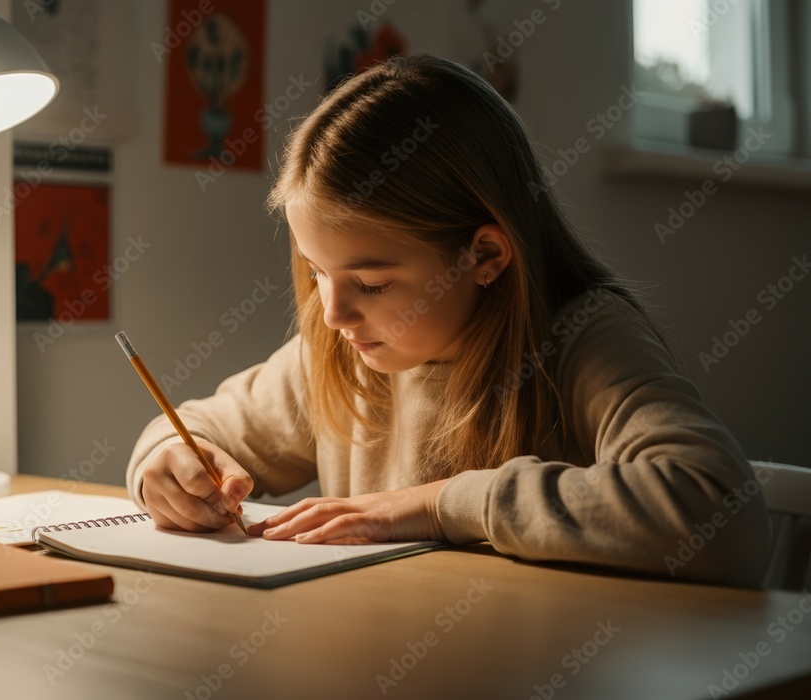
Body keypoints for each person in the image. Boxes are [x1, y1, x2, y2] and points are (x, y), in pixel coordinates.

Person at [127, 54, 771, 587]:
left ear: (485, 255)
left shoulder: (580, 340)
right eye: (318, 271)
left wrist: (439, 504)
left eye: (373, 282)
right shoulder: (347, 348)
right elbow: (195, 428)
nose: (333, 312)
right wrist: (168, 463)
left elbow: (721, 515)